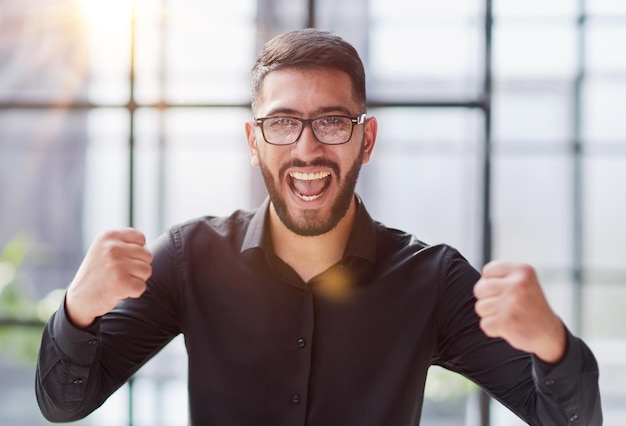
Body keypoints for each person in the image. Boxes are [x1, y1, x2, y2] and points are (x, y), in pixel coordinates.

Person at [36, 28, 602, 425]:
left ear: (367, 139)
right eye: (282, 122)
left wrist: (551, 344)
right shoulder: (190, 258)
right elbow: (65, 403)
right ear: (254, 143)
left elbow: (570, 420)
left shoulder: (435, 280)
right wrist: (78, 312)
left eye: (332, 121)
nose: (307, 149)